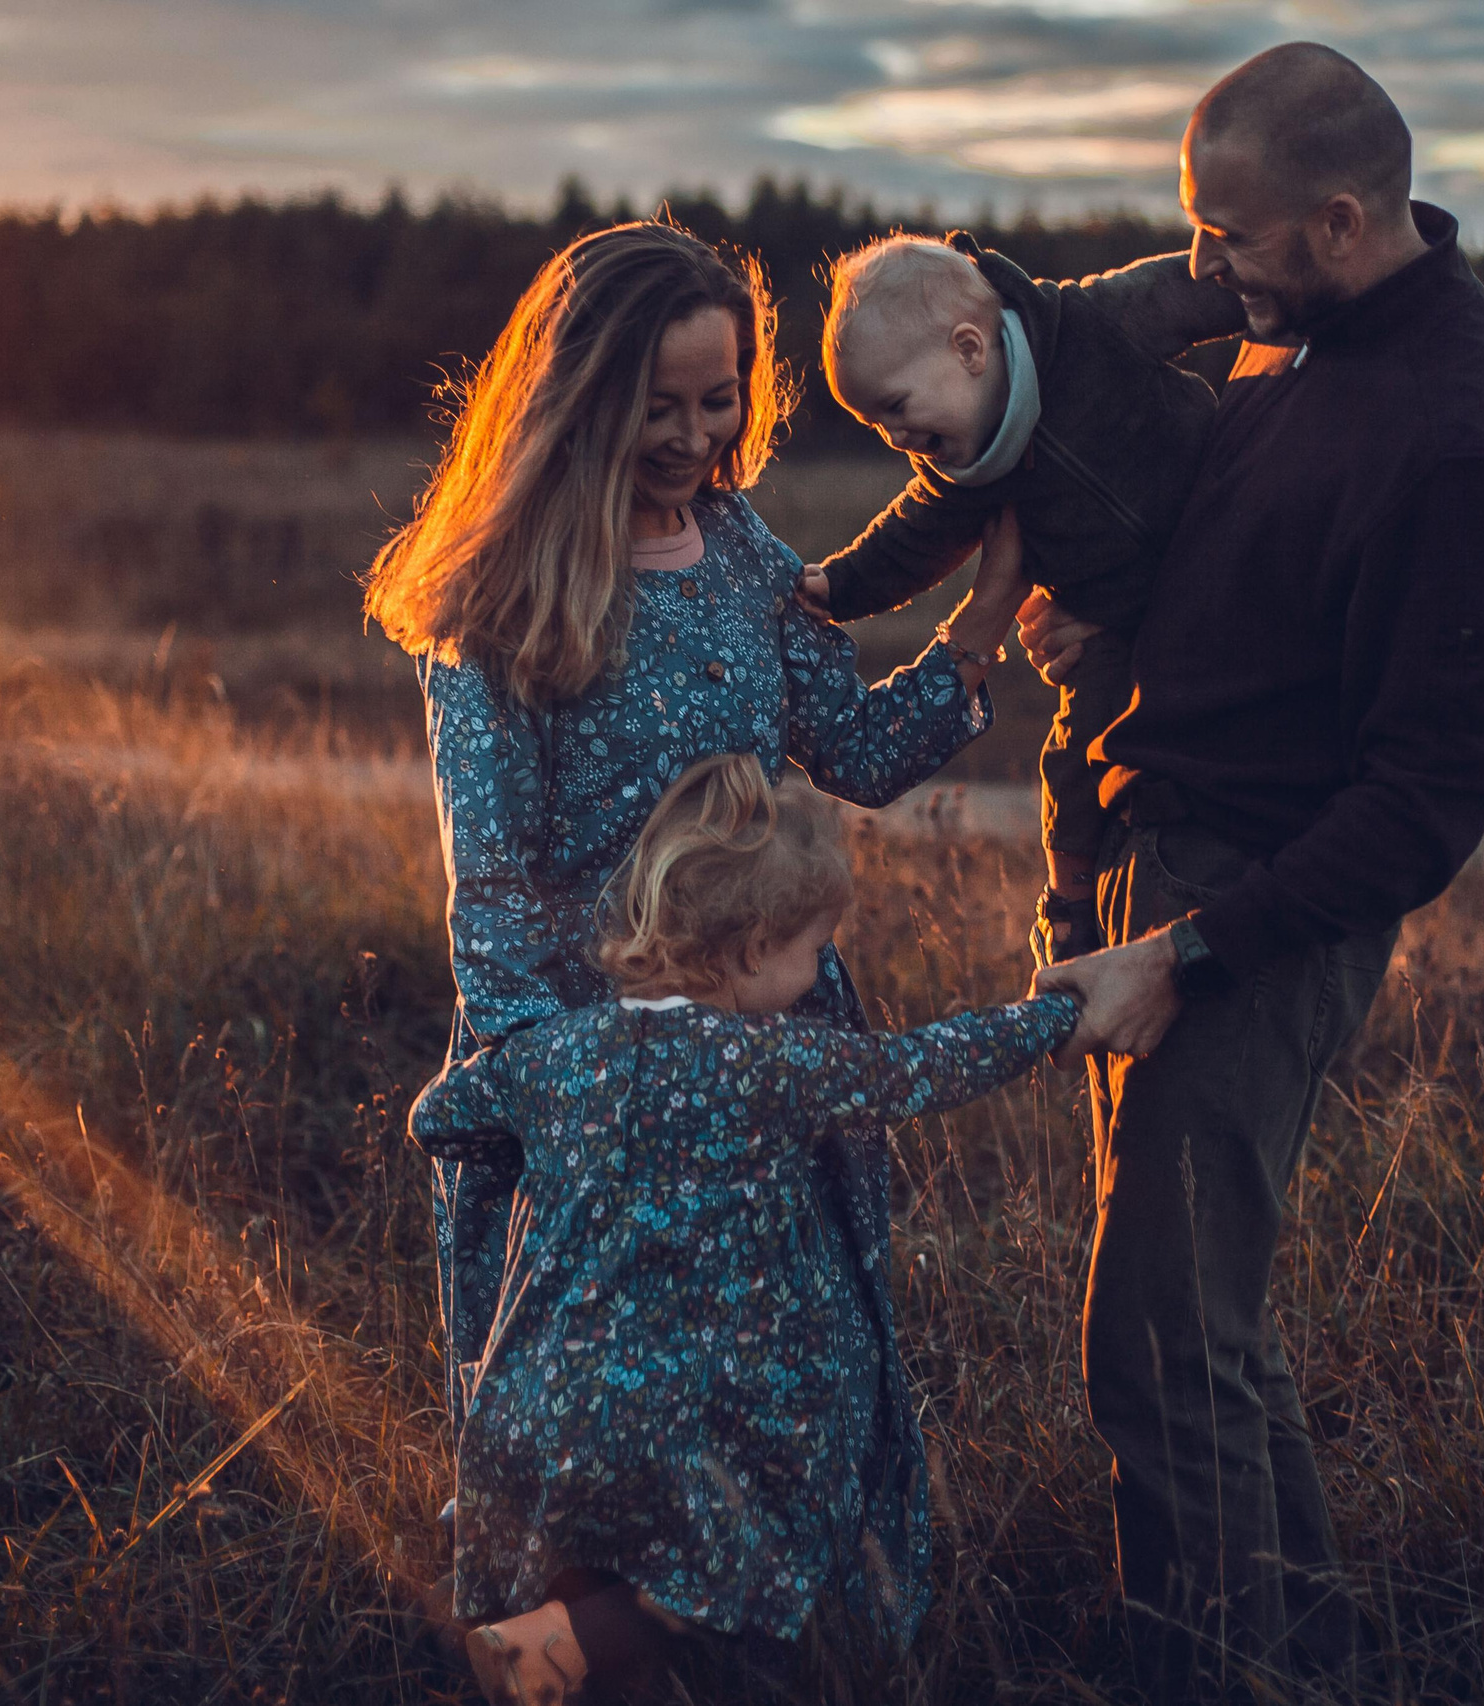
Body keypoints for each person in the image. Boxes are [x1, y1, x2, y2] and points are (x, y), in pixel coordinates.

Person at [363, 221, 1032, 1676]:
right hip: (590, 1084)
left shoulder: (738, 548)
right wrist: (580, 1088)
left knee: (790, 1407)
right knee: (604, 1434)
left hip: (776, 1058)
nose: (691, 434)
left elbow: (847, 749)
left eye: (718, 398)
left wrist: (979, 623)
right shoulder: (498, 593)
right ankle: (567, 1653)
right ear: (575, 390)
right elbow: (494, 894)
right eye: (655, 404)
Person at [1018, 41, 1484, 1698]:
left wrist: (1186, 953)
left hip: (1256, 916)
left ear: (1337, 218)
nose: (1203, 268)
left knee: (1158, 1350)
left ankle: (1199, 1671)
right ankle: (1306, 1656)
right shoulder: (1281, 329)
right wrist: (1110, 620)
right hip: (1161, 858)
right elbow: (1234, 552)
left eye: (1226, 235)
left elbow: (1422, 804)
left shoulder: (1459, 436)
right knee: (1204, 1342)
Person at [408, 753, 1089, 1704]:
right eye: (815, 949)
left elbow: (437, 1118)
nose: (819, 975)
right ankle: (552, 1641)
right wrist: (1052, 1015)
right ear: (751, 948)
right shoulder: (774, 1065)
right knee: (740, 1587)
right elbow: (917, 1070)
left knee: (613, 1635)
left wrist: (550, 1151)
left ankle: (551, 1640)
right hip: (697, 1423)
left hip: (542, 1409)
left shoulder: (555, 1055)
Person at [800, 234, 1243, 959]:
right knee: (1076, 755)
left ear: (970, 349)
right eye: (876, 426)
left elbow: (1188, 292)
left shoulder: (1090, 327)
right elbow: (909, 542)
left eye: (896, 407)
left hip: (1220, 542)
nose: (896, 438)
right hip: (1109, 624)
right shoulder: (966, 471)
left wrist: (1286, 294)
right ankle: (1071, 902)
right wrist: (839, 585)